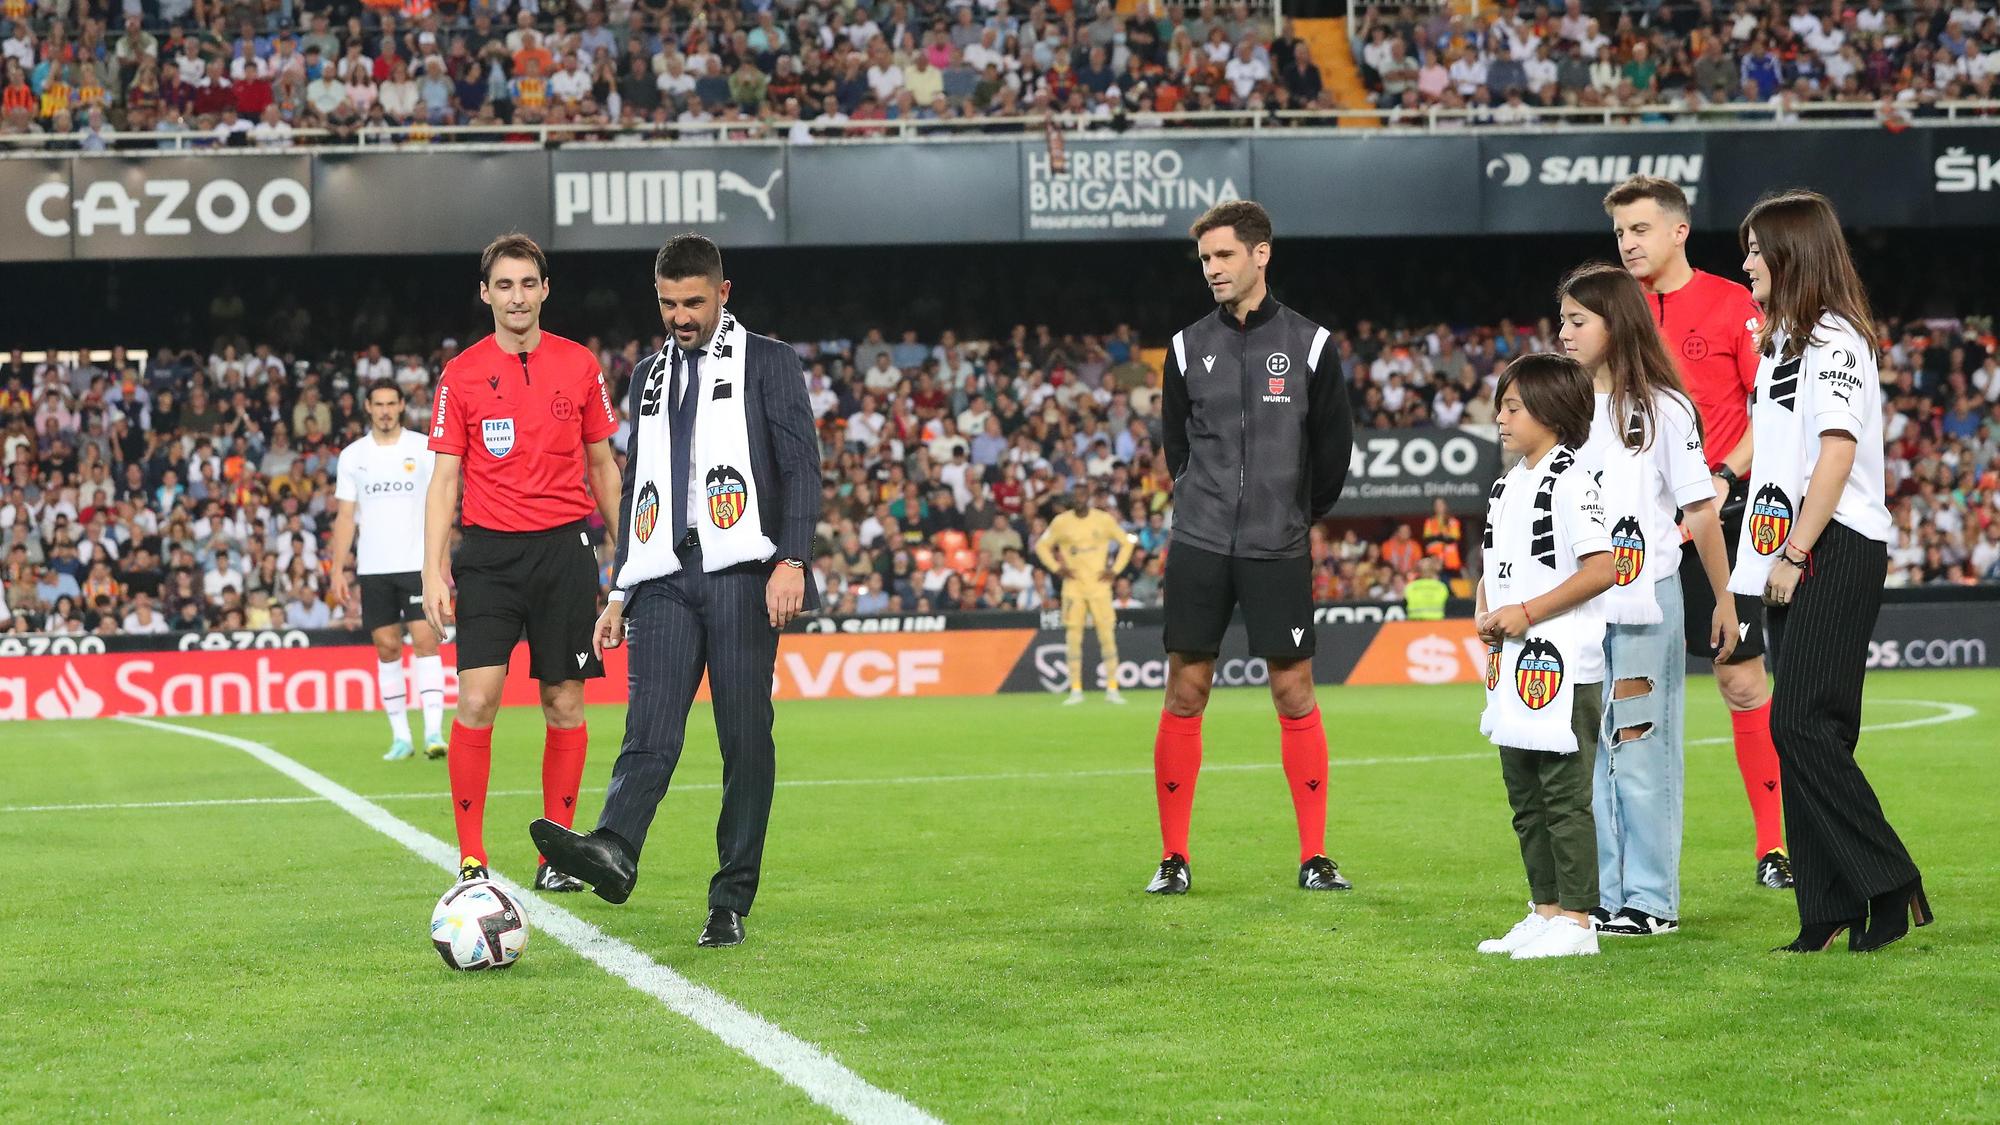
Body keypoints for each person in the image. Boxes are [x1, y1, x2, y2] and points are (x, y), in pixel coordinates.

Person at [530, 234, 821, 949]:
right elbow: (639, 487)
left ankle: (730, 897)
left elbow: (801, 467)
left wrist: (794, 558)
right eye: (668, 303)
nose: (680, 315)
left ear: (725, 292)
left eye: (693, 301)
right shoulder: (650, 374)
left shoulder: (771, 362)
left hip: (742, 572)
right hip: (663, 574)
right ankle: (616, 848)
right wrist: (621, 587)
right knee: (649, 728)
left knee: (743, 739)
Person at [1732, 191, 1928, 953]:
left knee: (1798, 723)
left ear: (1792, 254)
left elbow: (1837, 454)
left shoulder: (1836, 340)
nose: (1747, 261)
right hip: (1797, 545)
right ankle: (1827, 906)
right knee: (1815, 730)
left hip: (1833, 542)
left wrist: (1792, 552)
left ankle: (1889, 877)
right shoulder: (1783, 343)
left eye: (1755, 249)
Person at [1147, 199, 1354, 896]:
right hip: (1200, 543)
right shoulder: (1184, 346)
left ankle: (1315, 855)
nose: (1212, 269)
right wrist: (1204, 506)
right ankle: (1174, 857)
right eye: (1205, 259)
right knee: (1186, 687)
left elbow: (1333, 454)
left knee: (1294, 691)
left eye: (1224, 255)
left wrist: (1291, 516)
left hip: (1277, 544)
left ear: (1260, 255)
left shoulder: (1312, 344)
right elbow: (1177, 446)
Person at [1605, 175, 1792, 890]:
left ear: (1678, 231)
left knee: (1741, 680)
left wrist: (1722, 477)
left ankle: (1771, 848)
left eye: (1640, 229)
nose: (1628, 243)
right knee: (1628, 689)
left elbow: (1767, 410)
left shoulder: (1730, 303)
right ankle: (1628, 860)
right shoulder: (1614, 316)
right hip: (1638, 530)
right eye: (1621, 232)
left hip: (1721, 522)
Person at [422, 234, 622, 894]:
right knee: (478, 699)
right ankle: (472, 855)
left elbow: (602, 467)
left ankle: (556, 858)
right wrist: (432, 570)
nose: (516, 295)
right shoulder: (461, 374)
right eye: (504, 285)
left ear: (544, 289)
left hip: (566, 549)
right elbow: (445, 479)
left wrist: (631, 556)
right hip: (488, 556)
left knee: (564, 701)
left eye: (527, 283)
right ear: (486, 293)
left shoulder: (579, 364)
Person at [1557, 263, 1739, 939]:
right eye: (1564, 320)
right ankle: (1605, 894)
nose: (1564, 332)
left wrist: (1724, 598)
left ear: (1616, 323)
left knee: (1640, 748)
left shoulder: (1664, 406)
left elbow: (1702, 508)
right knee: (1592, 753)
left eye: (1578, 320)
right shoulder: (1568, 408)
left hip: (1645, 602)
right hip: (1581, 606)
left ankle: (1652, 900)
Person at [1473, 353, 1617, 960]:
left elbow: (1605, 567)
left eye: (1512, 406)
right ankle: (1546, 908)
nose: (1499, 417)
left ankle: (1579, 920)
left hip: (1562, 660)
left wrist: (1527, 614)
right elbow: (1494, 571)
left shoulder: (1574, 478)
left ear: (1550, 412)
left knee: (1563, 795)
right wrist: (1484, 610)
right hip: (1511, 663)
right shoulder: (1508, 483)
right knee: (1525, 797)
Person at [329, 379, 446, 761]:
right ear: (368, 407)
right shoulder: (352, 456)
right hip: (374, 567)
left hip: (416, 563)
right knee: (387, 647)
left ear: (400, 406)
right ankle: (401, 738)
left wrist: (441, 561)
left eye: (391, 403)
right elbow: (346, 517)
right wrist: (336, 569)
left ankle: (432, 733)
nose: (384, 410)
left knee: (426, 642)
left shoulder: (421, 447)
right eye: (377, 404)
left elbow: (440, 503)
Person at [1035, 487, 1136, 704]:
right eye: (1076, 496)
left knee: (1107, 637)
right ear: (1072, 499)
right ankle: (1075, 690)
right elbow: (1041, 546)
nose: (1079, 499)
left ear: (1088, 498)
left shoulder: (1103, 520)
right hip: (1074, 588)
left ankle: (1112, 688)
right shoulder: (1061, 522)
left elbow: (1127, 542)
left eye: (1083, 496)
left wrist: (1115, 570)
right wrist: (1056, 567)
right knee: (1073, 638)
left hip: (1099, 587)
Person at [1403, 556, 1450, 620]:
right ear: (1433, 571)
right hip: (1436, 623)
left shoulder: (1410, 587)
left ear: (1419, 572)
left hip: (1415, 623)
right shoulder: (1442, 587)